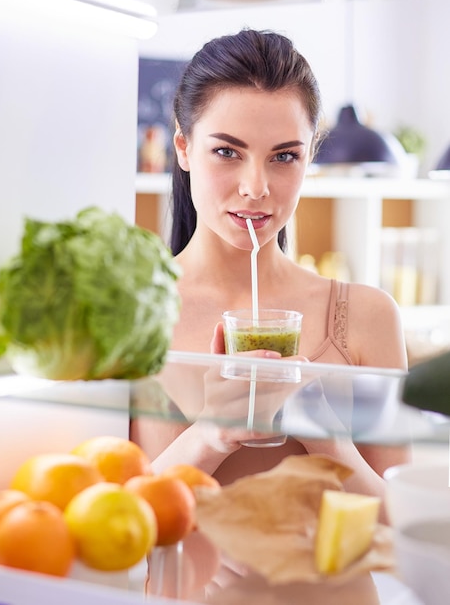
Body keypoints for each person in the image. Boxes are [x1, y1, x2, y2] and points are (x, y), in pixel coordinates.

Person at [131, 29, 410, 523]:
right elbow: (106, 525)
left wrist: (330, 443)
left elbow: (407, 528)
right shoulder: (127, 316)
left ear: (309, 156)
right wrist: (211, 435)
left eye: (284, 156)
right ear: (182, 147)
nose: (256, 188)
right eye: (226, 152)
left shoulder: (368, 316)